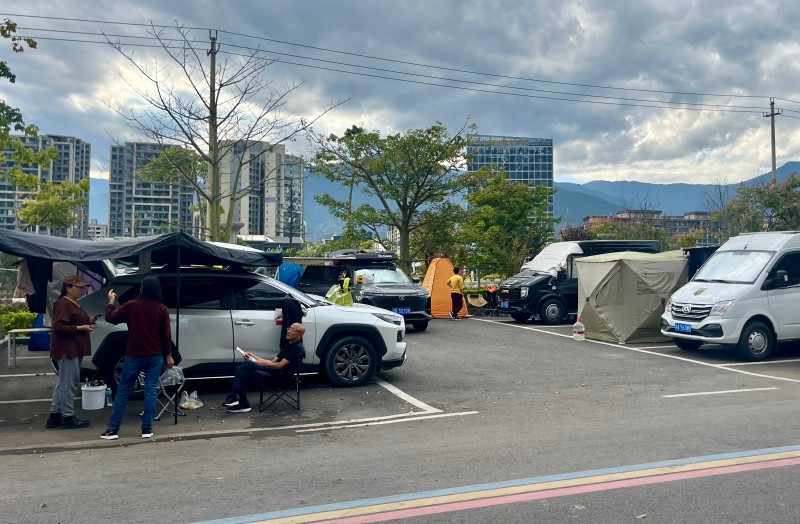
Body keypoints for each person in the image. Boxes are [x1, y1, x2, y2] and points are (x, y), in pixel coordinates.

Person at [100, 276, 174, 440]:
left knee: (123, 392)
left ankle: (113, 430)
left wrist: (111, 302)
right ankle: (146, 429)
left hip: (134, 355)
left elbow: (111, 318)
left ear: (142, 289)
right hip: (155, 356)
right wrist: (168, 355)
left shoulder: (131, 306)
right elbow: (165, 336)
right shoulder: (162, 309)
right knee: (150, 392)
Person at [46, 275, 96, 430]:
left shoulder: (72, 303)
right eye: (78, 287)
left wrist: (88, 321)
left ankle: (55, 415)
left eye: (82, 287)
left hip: (73, 348)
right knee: (69, 383)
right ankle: (67, 416)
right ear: (68, 288)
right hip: (67, 349)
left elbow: (72, 321)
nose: (82, 290)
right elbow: (59, 327)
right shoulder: (63, 304)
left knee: (64, 382)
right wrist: (80, 328)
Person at [223, 322, 306, 413]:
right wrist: (253, 357)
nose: (288, 330)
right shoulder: (288, 345)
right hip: (272, 371)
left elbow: (279, 366)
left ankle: (234, 396)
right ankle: (242, 403)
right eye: (289, 328)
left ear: (299, 335)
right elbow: (272, 362)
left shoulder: (297, 348)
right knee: (238, 369)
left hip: (280, 377)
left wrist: (257, 363)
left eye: (292, 329)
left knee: (247, 365)